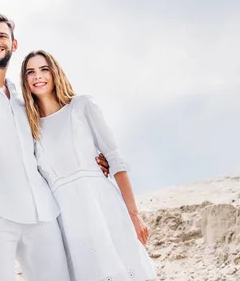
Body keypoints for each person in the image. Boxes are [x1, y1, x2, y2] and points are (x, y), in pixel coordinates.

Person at [0, 12, 109, 281]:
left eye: (2, 37)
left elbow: (54, 136)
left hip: (43, 213)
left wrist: (93, 158)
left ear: (13, 44)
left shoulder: (24, 98)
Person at [20, 49, 159, 281]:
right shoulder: (29, 128)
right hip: (67, 221)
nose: (38, 76)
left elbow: (115, 160)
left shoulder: (82, 106)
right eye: (30, 72)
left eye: (44, 69)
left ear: (55, 73)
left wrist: (134, 216)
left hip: (103, 206)